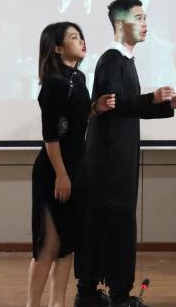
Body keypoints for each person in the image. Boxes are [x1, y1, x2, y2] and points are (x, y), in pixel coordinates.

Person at [77, 0, 176, 307]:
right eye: (138, 18)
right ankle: (116, 294)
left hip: (118, 155)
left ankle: (94, 291)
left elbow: (128, 108)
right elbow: (114, 105)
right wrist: (152, 97)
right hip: (109, 159)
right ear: (119, 24)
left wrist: (165, 105)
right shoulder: (112, 60)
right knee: (114, 223)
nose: (145, 24)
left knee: (110, 222)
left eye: (145, 17)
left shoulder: (124, 60)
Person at [26, 23, 115, 307]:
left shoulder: (78, 77)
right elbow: (51, 135)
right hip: (54, 171)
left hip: (75, 169)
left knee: (67, 246)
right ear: (58, 47)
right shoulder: (54, 82)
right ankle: (32, 304)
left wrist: (94, 108)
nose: (82, 41)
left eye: (81, 36)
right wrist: (61, 174)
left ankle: (58, 303)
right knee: (48, 245)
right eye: (74, 37)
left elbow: (73, 119)